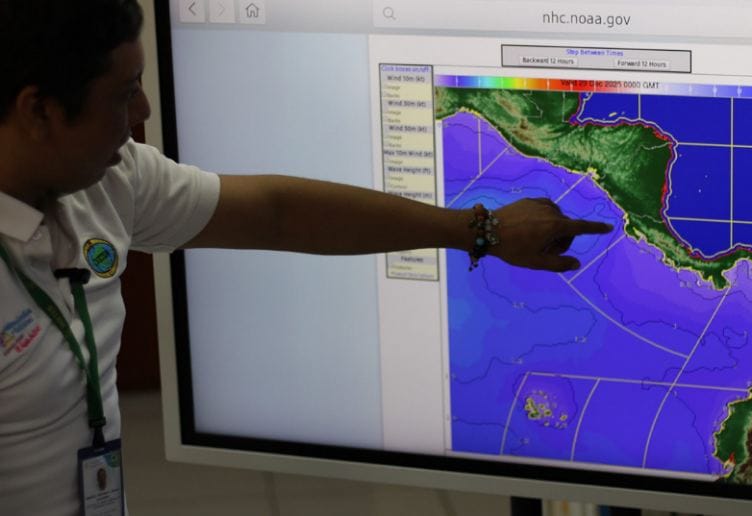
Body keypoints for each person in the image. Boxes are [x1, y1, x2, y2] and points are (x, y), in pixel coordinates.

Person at [0, 1, 612, 514]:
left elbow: (277, 212)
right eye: (124, 94)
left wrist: (482, 231)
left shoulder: (108, 179)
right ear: (39, 111)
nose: (143, 115)